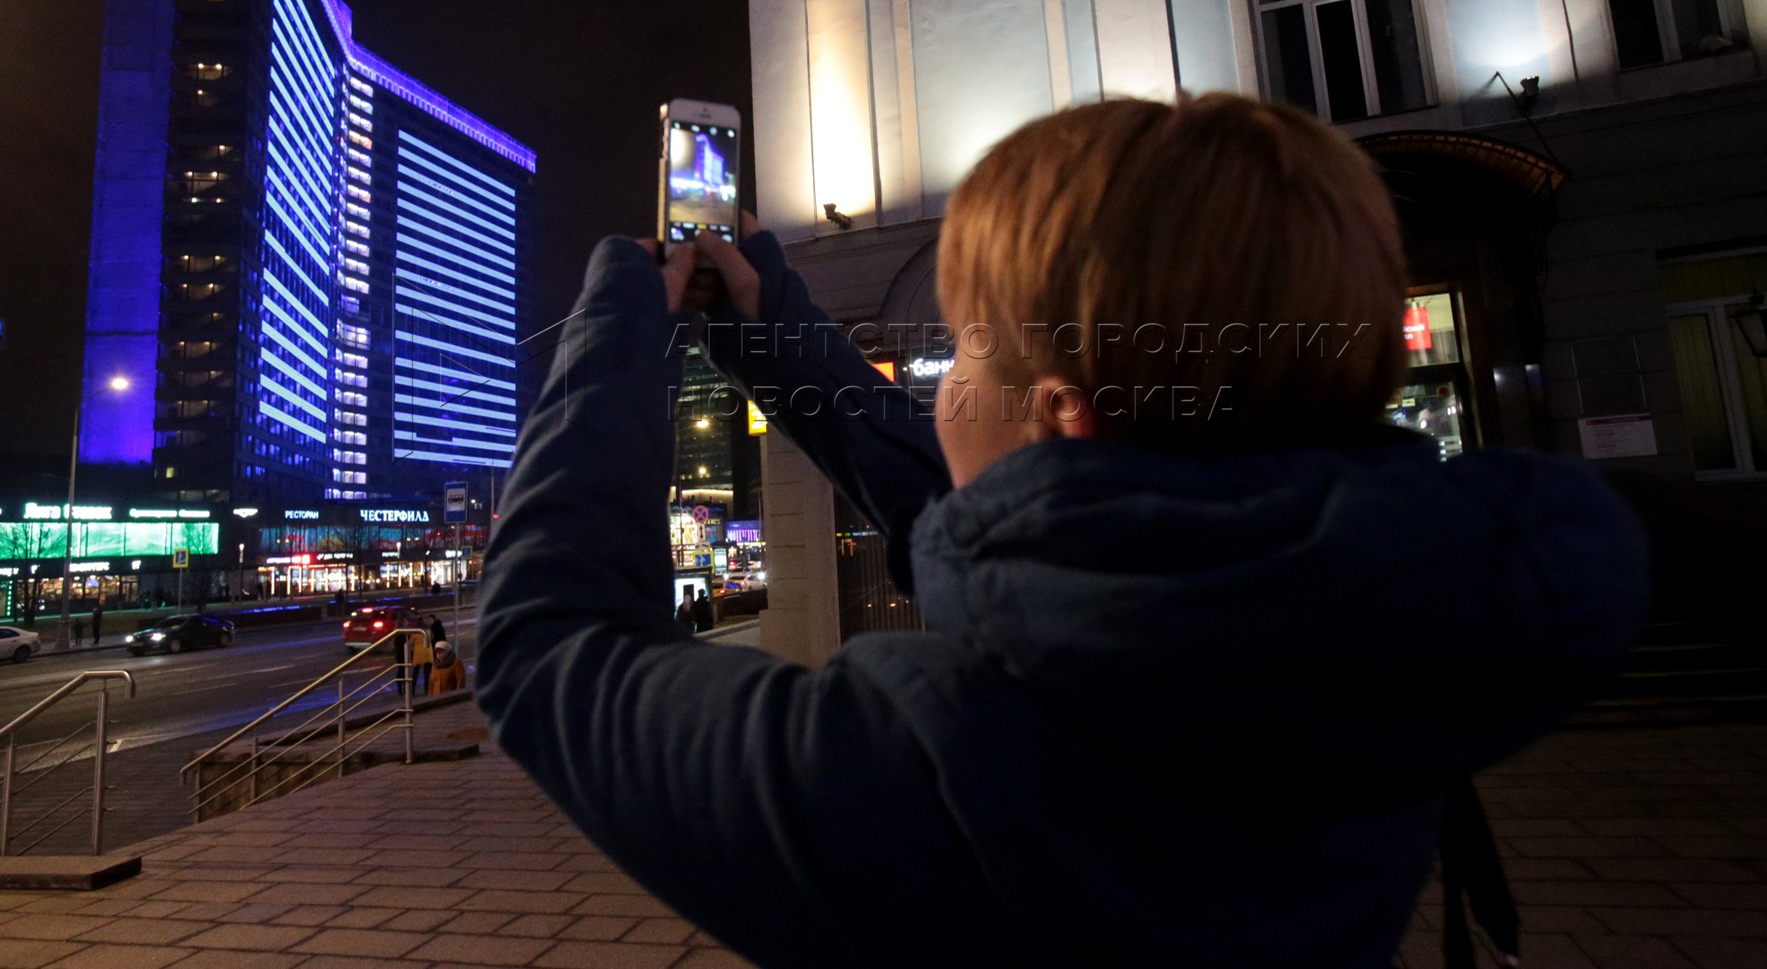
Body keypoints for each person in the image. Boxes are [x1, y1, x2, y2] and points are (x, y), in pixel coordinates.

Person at [475, 95, 1650, 968]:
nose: (936, 385)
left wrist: (615, 326)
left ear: (1061, 413)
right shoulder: (1377, 634)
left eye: (962, 348)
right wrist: (769, 323)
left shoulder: (938, 772)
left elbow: (546, 648)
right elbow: (1024, 517)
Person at [409, 626, 434, 693]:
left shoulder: (415, 633)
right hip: (428, 653)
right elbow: (432, 638)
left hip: (418, 654)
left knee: (415, 673)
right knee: (427, 674)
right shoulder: (428, 632)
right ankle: (426, 690)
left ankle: (412, 690)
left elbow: (411, 642)